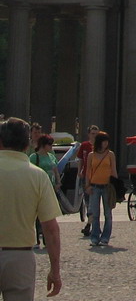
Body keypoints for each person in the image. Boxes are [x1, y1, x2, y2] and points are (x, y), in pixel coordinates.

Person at [0, 117, 63, 299]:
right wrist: (55, 270)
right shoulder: (38, 176)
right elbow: (51, 229)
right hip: (20, 256)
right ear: (27, 145)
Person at [85, 131, 117, 246]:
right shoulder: (91, 155)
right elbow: (88, 171)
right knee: (95, 213)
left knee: (108, 213)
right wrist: (87, 185)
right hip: (94, 186)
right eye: (103, 141)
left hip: (107, 187)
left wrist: (116, 187)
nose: (105, 143)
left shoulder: (110, 154)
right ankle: (94, 237)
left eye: (107, 141)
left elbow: (113, 171)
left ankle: (105, 237)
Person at [29, 134, 60, 246]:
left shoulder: (51, 156)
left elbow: (55, 170)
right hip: (38, 188)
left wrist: (58, 182)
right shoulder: (34, 157)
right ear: (43, 145)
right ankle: (36, 239)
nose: (51, 146)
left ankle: (47, 240)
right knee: (37, 217)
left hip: (50, 187)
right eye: (49, 144)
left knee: (49, 215)